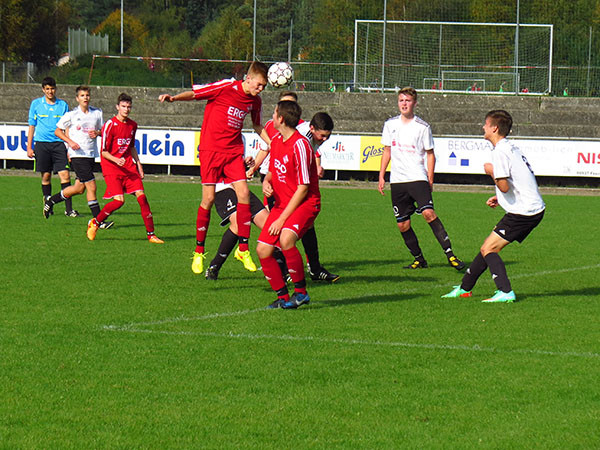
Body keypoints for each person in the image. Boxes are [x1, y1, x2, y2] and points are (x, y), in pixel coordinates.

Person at [158, 62, 271, 275]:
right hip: (211, 150)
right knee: (208, 199)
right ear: (248, 78)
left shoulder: (255, 101)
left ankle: (243, 249)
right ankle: (199, 251)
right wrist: (173, 98)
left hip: (233, 152)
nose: (261, 89)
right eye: (259, 84)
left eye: (264, 86)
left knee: (244, 193)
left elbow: (257, 125)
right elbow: (195, 94)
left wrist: (272, 142)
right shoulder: (226, 87)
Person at [442, 110, 545, 303]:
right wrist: (500, 197)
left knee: (490, 249)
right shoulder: (511, 148)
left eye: (486, 124)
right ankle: (465, 288)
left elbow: (504, 186)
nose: (483, 127)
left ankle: (505, 291)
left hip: (524, 212)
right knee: (485, 247)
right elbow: (519, 180)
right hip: (528, 207)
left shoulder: (500, 151)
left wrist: (491, 172)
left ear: (494, 128)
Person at [250, 92, 339, 283]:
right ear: (312, 129)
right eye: (322, 136)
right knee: (281, 232)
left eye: (327, 137)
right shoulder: (300, 139)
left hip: (292, 187)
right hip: (282, 186)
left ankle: (309, 271)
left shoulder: (304, 138)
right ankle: (288, 271)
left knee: (297, 231)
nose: (324, 140)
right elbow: (278, 156)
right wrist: (265, 178)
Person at [378, 87, 465, 271]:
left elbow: (430, 154)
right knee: (403, 224)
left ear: (415, 103)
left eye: (408, 100)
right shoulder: (390, 125)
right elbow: (387, 151)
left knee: (428, 214)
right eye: (401, 100)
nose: (404, 104)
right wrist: (381, 176)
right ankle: (419, 259)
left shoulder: (423, 127)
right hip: (398, 181)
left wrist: (430, 179)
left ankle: (450, 255)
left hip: (418, 177)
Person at [257, 100, 321, 309]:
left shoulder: (300, 145)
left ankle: (301, 293)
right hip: (282, 204)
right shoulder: (276, 141)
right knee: (263, 250)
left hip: (305, 203)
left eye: (274, 113)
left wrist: (282, 219)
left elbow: (303, 188)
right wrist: (267, 181)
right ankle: (283, 297)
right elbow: (273, 171)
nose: (272, 117)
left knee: (285, 240)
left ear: (281, 118)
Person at [86, 93, 164, 244]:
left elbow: (132, 146)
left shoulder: (132, 125)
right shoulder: (110, 125)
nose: (126, 109)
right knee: (119, 201)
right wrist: (117, 160)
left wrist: (139, 164)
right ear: (117, 107)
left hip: (129, 167)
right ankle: (95, 223)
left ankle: (151, 235)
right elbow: (103, 151)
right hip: (111, 167)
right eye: (123, 106)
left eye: (129, 107)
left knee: (142, 198)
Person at [44, 86, 113, 229]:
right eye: (82, 95)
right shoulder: (71, 114)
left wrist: (98, 132)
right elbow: (58, 131)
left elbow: (102, 130)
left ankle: (51, 201)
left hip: (90, 155)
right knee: (92, 186)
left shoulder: (97, 113)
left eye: (87, 95)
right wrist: (70, 142)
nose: (85, 97)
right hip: (77, 156)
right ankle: (98, 221)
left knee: (79, 188)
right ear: (77, 98)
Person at [26, 77, 78, 217]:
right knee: (46, 176)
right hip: (42, 144)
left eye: (52, 88)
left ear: (56, 89)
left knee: (65, 175)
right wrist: (29, 147)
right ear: (43, 89)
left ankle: (69, 210)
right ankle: (48, 205)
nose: (50, 91)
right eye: (47, 89)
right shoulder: (36, 104)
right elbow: (32, 126)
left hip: (58, 144)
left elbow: (67, 127)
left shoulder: (63, 105)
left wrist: (68, 146)